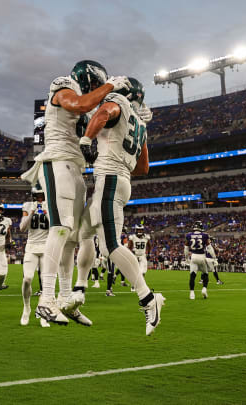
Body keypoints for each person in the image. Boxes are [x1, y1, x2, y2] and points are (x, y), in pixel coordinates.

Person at [20, 60, 131, 326]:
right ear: (88, 78)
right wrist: (109, 86)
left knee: (73, 237)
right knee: (60, 228)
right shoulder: (63, 85)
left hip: (75, 168)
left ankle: (65, 299)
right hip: (56, 162)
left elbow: (102, 122)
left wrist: (133, 112)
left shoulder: (87, 102)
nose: (97, 90)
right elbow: (79, 104)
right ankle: (45, 301)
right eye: (96, 84)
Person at [74, 77, 164, 335]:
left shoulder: (118, 102)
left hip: (110, 181)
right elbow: (144, 168)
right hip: (122, 181)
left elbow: (104, 112)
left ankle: (148, 298)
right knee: (85, 232)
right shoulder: (141, 124)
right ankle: (78, 290)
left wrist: (87, 139)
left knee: (111, 246)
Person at [19, 185, 50, 326]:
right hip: (31, 246)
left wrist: (47, 212)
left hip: (47, 247)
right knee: (27, 279)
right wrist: (31, 212)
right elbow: (22, 227)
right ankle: (26, 308)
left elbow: (55, 226)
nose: (40, 199)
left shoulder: (49, 205)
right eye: (38, 196)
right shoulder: (28, 205)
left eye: (42, 196)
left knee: (45, 282)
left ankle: (43, 312)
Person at [185, 221, 211, 299]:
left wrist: (186, 258)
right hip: (202, 256)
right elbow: (210, 248)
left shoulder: (189, 235)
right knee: (205, 274)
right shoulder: (205, 235)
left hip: (193, 256)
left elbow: (186, 248)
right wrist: (214, 257)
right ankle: (204, 289)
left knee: (192, 275)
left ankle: (192, 293)